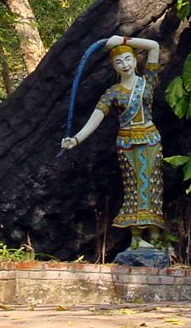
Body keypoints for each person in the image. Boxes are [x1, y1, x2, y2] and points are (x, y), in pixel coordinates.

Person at [61, 34, 165, 248]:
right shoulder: (113, 93)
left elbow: (153, 46)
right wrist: (76, 139)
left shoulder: (147, 82)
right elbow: (95, 119)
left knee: (153, 184)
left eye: (128, 59)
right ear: (113, 67)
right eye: (118, 62)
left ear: (135, 60)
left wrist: (122, 40)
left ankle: (155, 235)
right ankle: (137, 238)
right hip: (127, 143)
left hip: (150, 139)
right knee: (135, 186)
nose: (124, 65)